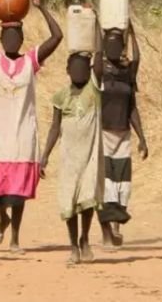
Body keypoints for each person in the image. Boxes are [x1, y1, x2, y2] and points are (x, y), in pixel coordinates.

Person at [0, 0, 63, 254]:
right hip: (0, 137)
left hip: (23, 135)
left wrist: (41, 7)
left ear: (21, 39)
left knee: (19, 193)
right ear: (1, 39)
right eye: (7, 37)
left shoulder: (30, 61)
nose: (12, 41)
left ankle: (15, 239)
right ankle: (2, 219)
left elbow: (57, 36)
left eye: (16, 36)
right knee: (0, 192)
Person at [41, 44, 105, 266]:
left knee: (87, 201)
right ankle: (73, 246)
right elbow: (54, 127)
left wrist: (96, 33)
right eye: (75, 69)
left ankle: (85, 238)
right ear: (67, 71)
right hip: (69, 158)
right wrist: (45, 155)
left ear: (89, 70)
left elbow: (99, 60)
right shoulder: (60, 96)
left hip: (89, 157)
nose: (79, 72)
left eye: (83, 68)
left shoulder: (94, 89)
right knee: (69, 203)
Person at [98, 24, 148, 248]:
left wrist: (142, 138)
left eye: (118, 45)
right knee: (107, 183)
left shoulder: (127, 73)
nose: (113, 49)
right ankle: (109, 231)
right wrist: (98, 29)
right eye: (109, 45)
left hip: (123, 135)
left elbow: (132, 108)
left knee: (122, 183)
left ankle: (116, 228)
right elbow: (97, 57)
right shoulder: (100, 71)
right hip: (103, 133)